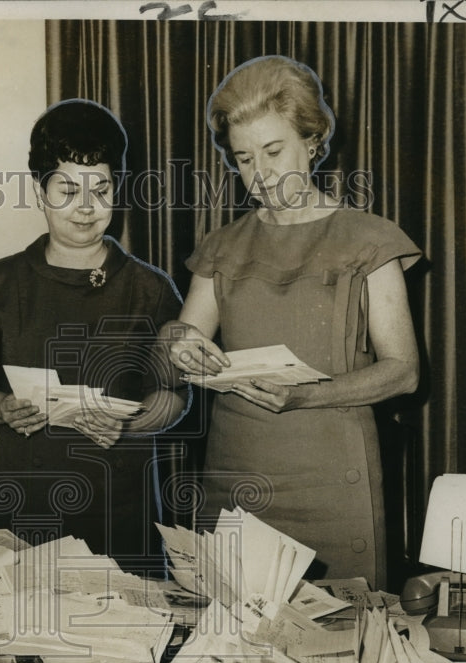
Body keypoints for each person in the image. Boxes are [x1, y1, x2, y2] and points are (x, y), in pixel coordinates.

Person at [162, 56, 422, 591]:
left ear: (312, 139)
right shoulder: (223, 246)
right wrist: (176, 344)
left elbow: (404, 372)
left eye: (275, 151)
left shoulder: (369, 238)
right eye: (245, 158)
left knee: (338, 646)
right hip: (236, 480)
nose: (262, 174)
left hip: (334, 479)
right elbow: (181, 340)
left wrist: (303, 395)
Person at [0, 99, 186, 575]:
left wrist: (131, 424)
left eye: (101, 188)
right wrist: (0, 407)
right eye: (67, 188)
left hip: (122, 510)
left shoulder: (151, 288)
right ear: (40, 191)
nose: (86, 207)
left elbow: (175, 397)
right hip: (26, 506)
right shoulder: (1, 282)